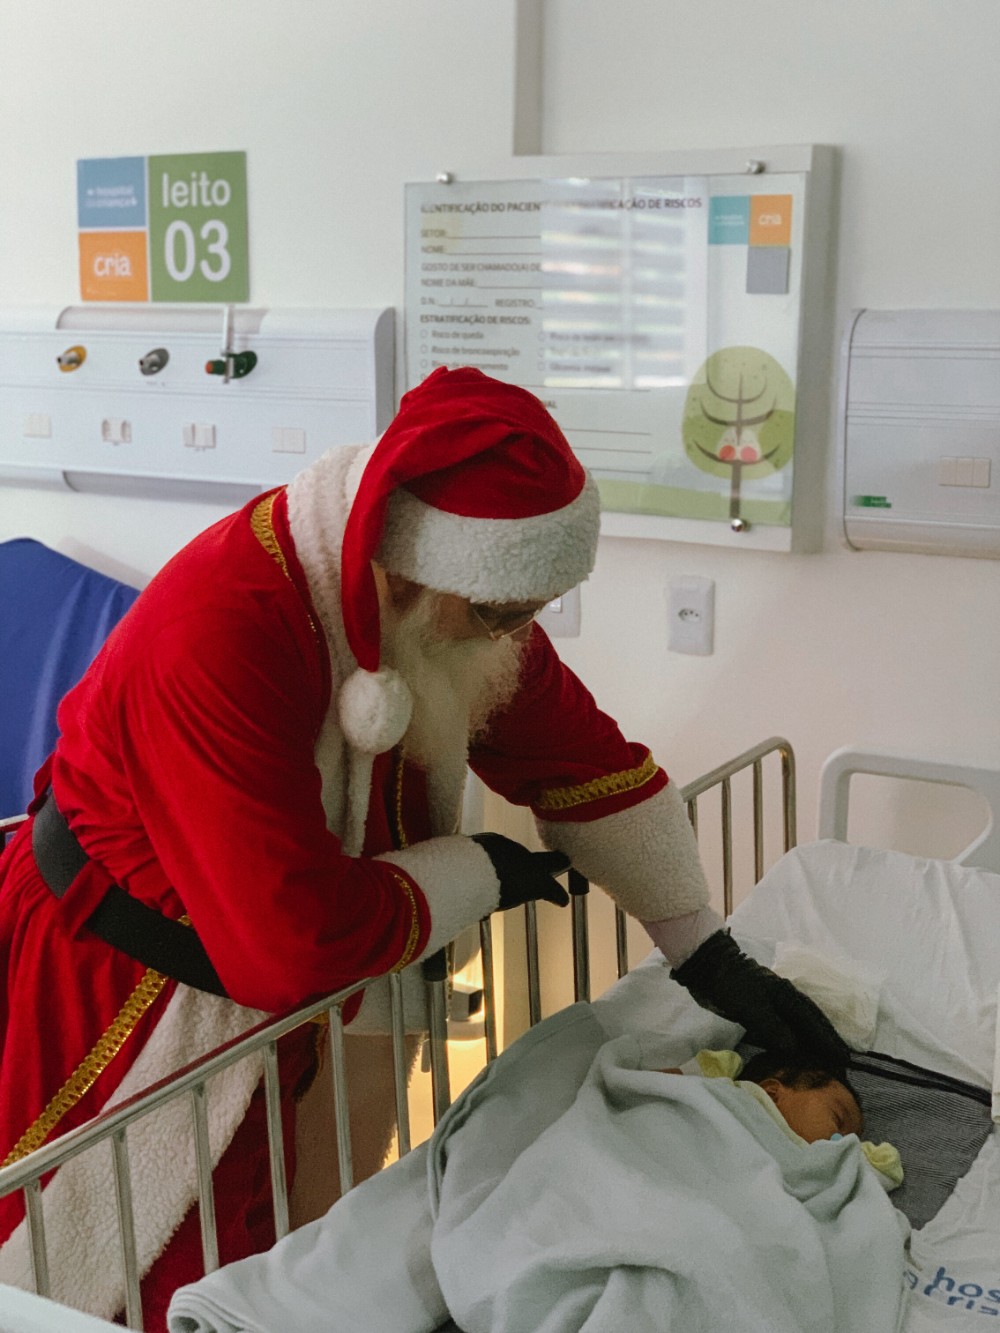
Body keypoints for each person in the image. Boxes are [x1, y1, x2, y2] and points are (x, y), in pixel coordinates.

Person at [0, 365, 847, 1328]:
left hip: (279, 997)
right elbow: (289, 943)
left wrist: (708, 953)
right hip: (121, 985)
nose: (516, 635)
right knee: (128, 1280)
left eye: (536, 609)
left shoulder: (455, 605)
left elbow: (583, 762)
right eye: (502, 614)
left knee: (283, 1259)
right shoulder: (221, 629)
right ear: (403, 574)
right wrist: (473, 873)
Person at [661, 1048, 903, 1187]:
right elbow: (656, 1086)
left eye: (854, 1140)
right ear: (771, 1092)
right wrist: (705, 1073)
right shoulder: (730, 1095)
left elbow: (880, 1174)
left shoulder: (816, 1164)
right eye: (838, 1119)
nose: (844, 1141)